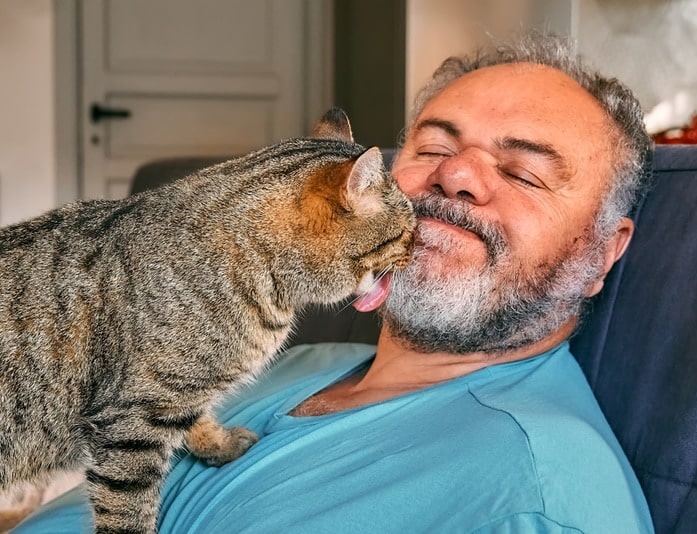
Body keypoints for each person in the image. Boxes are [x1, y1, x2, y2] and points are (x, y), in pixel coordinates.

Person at [16, 30, 654, 533]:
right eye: (431, 148)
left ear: (603, 253)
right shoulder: (307, 360)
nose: (455, 176)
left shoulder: (544, 493)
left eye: (523, 172)